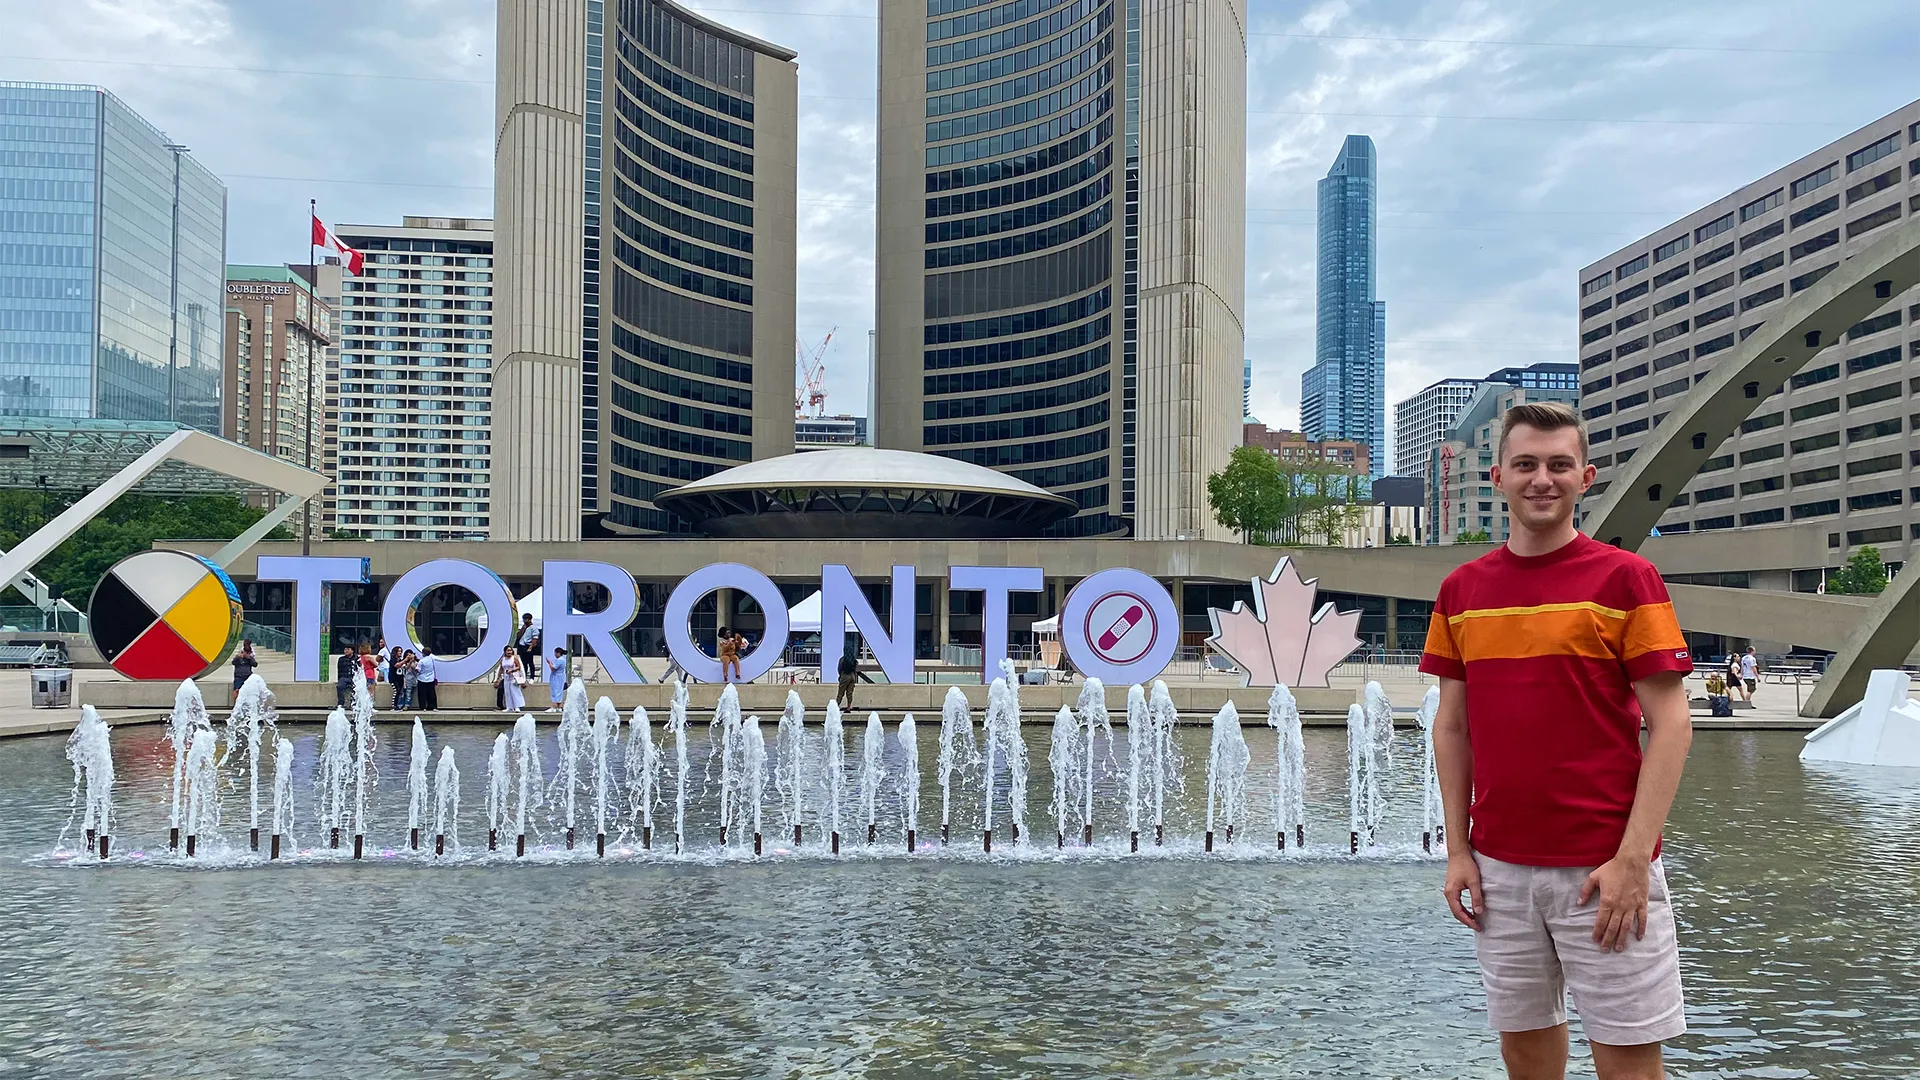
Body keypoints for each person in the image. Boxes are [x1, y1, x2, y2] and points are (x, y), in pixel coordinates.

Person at [1420, 402, 1693, 1080]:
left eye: (1559, 465)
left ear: (1585, 477)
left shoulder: (1626, 579)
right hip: (1499, 871)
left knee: (1629, 1065)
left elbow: (1672, 723)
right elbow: (1452, 726)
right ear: (1498, 477)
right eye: (1526, 464)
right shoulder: (1461, 591)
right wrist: (1458, 850)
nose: (1542, 479)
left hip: (1605, 866)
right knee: (1525, 1056)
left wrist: (1633, 860)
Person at [497, 645, 527, 712]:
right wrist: (498, 677)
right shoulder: (502, 659)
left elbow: (519, 667)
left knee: (515, 692)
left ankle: (517, 707)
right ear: (505, 651)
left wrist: (512, 670)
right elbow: (501, 668)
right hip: (506, 677)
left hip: (514, 677)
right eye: (508, 650)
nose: (509, 652)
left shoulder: (514, 658)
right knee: (507, 692)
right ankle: (509, 707)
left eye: (510, 650)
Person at [231, 638, 257, 705]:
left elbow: (255, 664)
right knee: (237, 690)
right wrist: (238, 657)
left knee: (249, 691)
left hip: (248, 676)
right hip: (239, 676)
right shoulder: (238, 657)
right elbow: (233, 662)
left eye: (248, 653)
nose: (246, 654)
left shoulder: (250, 658)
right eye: (246, 652)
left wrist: (249, 658)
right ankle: (236, 704)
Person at [415, 647, 439, 711]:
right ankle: (433, 706)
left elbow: (418, 670)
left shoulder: (421, 661)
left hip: (422, 679)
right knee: (431, 694)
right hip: (431, 679)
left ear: (423, 653)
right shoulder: (432, 659)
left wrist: (415, 668)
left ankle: (423, 707)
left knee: (422, 694)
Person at [335, 643, 358, 708]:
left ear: (352, 650)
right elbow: (339, 670)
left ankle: (354, 703)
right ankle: (340, 703)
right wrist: (339, 680)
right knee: (339, 686)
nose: (346, 651)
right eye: (345, 649)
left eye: (348, 649)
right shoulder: (341, 659)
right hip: (344, 677)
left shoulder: (357, 658)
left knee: (356, 687)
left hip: (353, 677)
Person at [546, 646, 568, 712]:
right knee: (557, 690)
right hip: (557, 676)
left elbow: (553, 668)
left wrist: (550, 663)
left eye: (555, 653)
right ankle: (559, 707)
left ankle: (554, 706)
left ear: (558, 653)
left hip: (557, 677)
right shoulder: (560, 660)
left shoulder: (560, 660)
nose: (554, 654)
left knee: (556, 691)